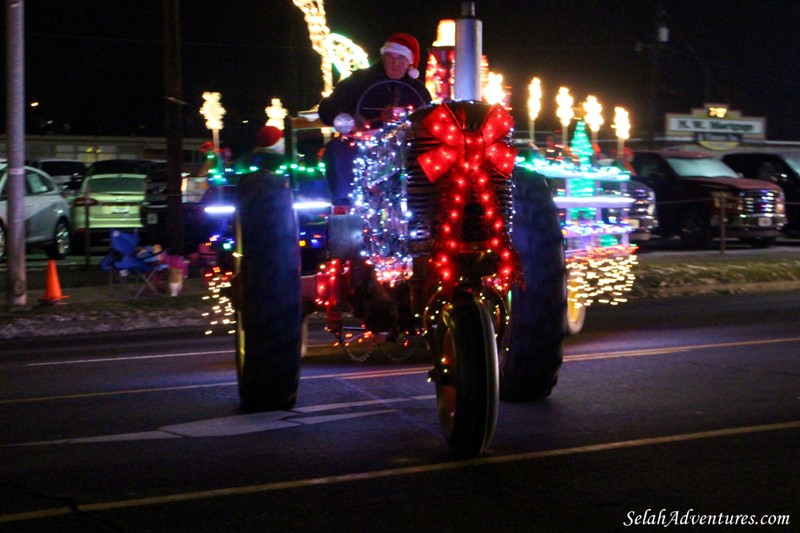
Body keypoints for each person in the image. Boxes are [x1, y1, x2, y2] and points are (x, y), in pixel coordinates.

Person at [318, 32, 432, 206]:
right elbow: (328, 107)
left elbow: (430, 118)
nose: (395, 63)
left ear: (409, 62)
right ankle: (345, 205)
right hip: (363, 143)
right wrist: (347, 120)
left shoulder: (417, 90)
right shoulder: (359, 80)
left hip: (405, 148)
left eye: (400, 58)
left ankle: (422, 202)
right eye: (390, 57)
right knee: (337, 150)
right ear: (383, 57)